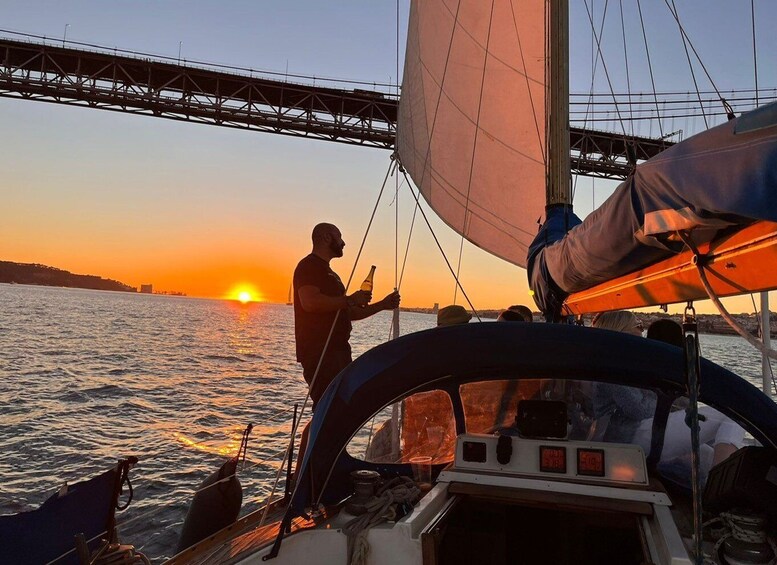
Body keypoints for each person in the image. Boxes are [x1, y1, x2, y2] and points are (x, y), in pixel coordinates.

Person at [592, 311, 744, 472]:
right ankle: (718, 485)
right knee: (732, 414)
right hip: (629, 436)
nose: (643, 332)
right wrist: (665, 398)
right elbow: (640, 410)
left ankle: (717, 482)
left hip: (634, 432)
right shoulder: (614, 368)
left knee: (708, 459)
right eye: (638, 326)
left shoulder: (617, 364)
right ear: (621, 330)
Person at [294, 222, 400, 408]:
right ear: (327, 238)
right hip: (320, 352)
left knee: (336, 408)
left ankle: (318, 437)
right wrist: (349, 299)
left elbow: (346, 313)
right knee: (328, 408)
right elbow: (309, 302)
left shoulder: (330, 274)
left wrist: (383, 305)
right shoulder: (308, 266)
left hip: (338, 351)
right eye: (340, 237)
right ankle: (320, 438)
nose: (343, 243)